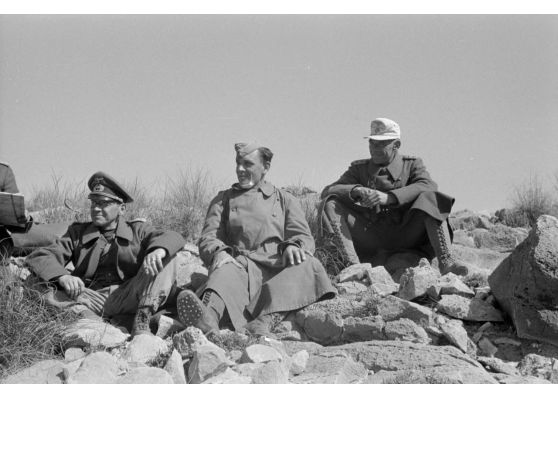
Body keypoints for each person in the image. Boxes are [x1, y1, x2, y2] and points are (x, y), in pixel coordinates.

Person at [176, 143, 336, 337]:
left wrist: (293, 247)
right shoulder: (222, 200)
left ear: (265, 167)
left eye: (247, 164)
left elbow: (303, 236)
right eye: (237, 163)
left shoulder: (284, 199)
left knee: (310, 265)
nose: (240, 169)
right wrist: (219, 252)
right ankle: (208, 319)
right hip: (240, 267)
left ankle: (263, 321)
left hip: (277, 267)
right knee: (223, 271)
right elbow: (209, 237)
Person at [26, 171, 186, 335]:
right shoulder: (77, 233)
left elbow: (173, 236)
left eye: (103, 203)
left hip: (129, 295)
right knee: (35, 283)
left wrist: (158, 251)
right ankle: (101, 322)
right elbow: (42, 256)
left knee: (168, 255)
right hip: (88, 297)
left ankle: (143, 317)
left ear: (121, 208)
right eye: (93, 203)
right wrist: (64, 277)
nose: (96, 208)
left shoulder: (137, 230)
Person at [319, 118, 468, 276]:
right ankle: (352, 266)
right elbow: (329, 190)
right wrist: (356, 190)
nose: (374, 149)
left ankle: (446, 262)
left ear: (396, 145)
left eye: (381, 144)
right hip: (372, 235)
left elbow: (428, 185)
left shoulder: (412, 164)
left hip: (407, 233)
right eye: (372, 143)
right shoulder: (359, 169)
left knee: (432, 197)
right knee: (331, 203)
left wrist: (390, 197)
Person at [0, 161, 65, 257]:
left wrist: (23, 217)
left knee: (55, 239)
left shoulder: (3, 171)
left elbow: (15, 221)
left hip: (6, 232)